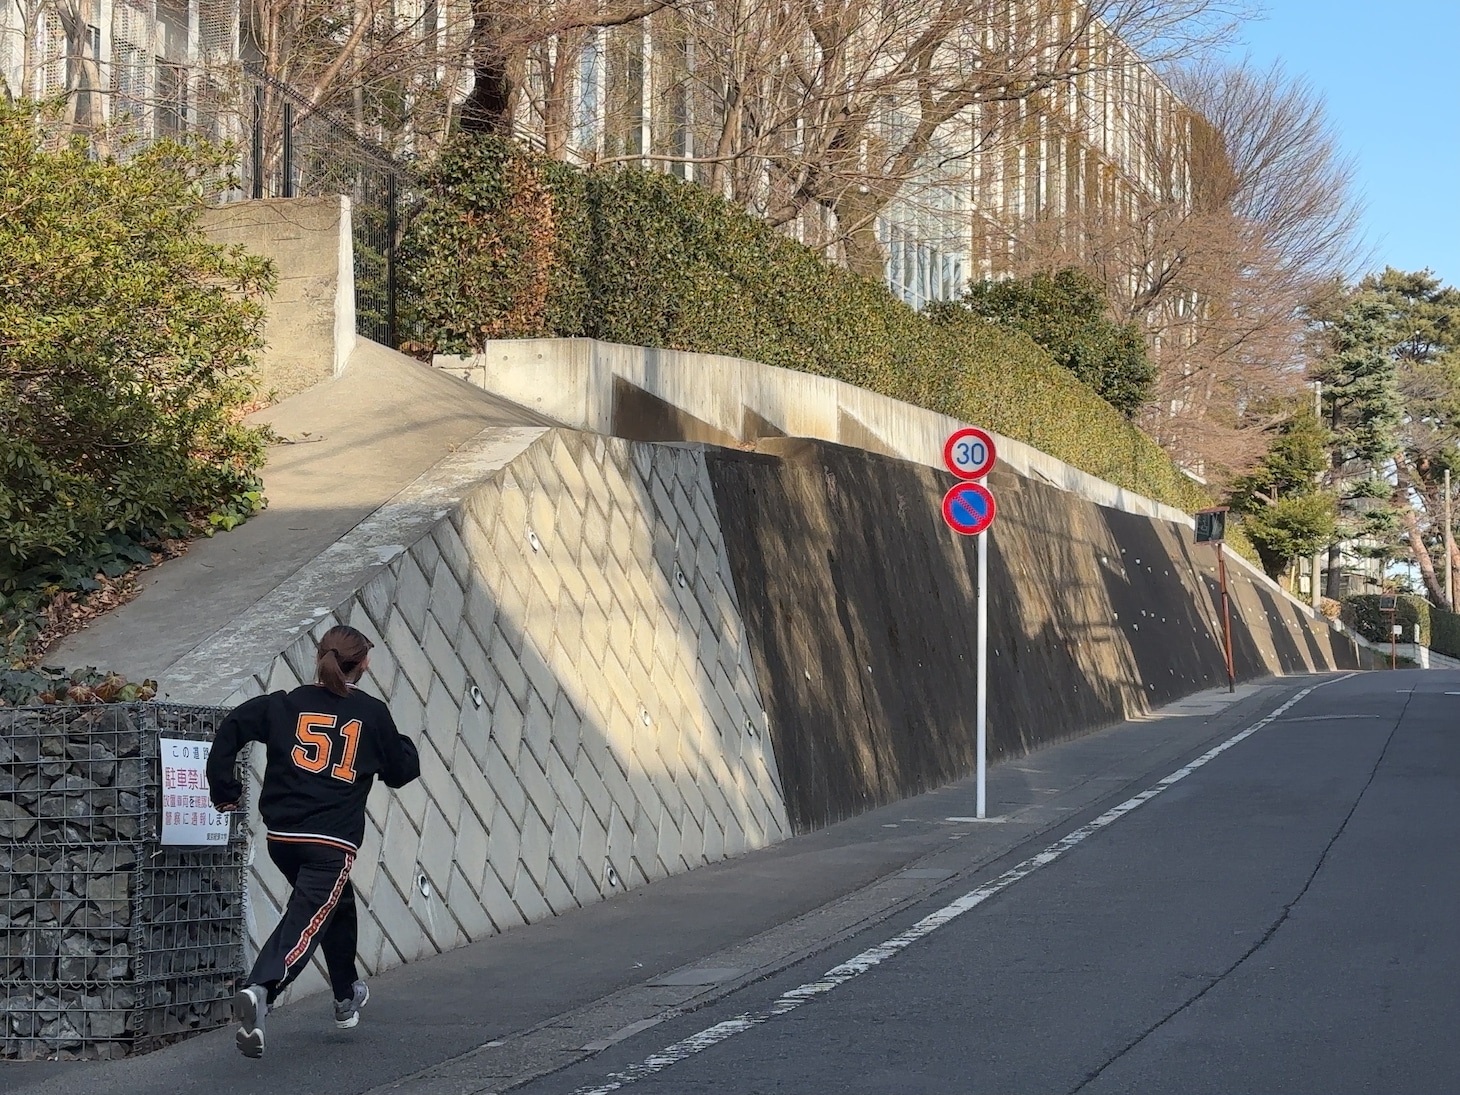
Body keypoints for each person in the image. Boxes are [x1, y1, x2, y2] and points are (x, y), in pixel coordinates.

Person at [207, 624, 420, 1059]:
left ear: (320, 656)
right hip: (331, 843)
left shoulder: (284, 704)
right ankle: (260, 990)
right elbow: (401, 772)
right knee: (306, 920)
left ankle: (345, 995)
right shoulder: (372, 713)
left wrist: (224, 790)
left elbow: (232, 725)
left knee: (334, 905)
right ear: (362, 664)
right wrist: (401, 744)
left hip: (283, 839)